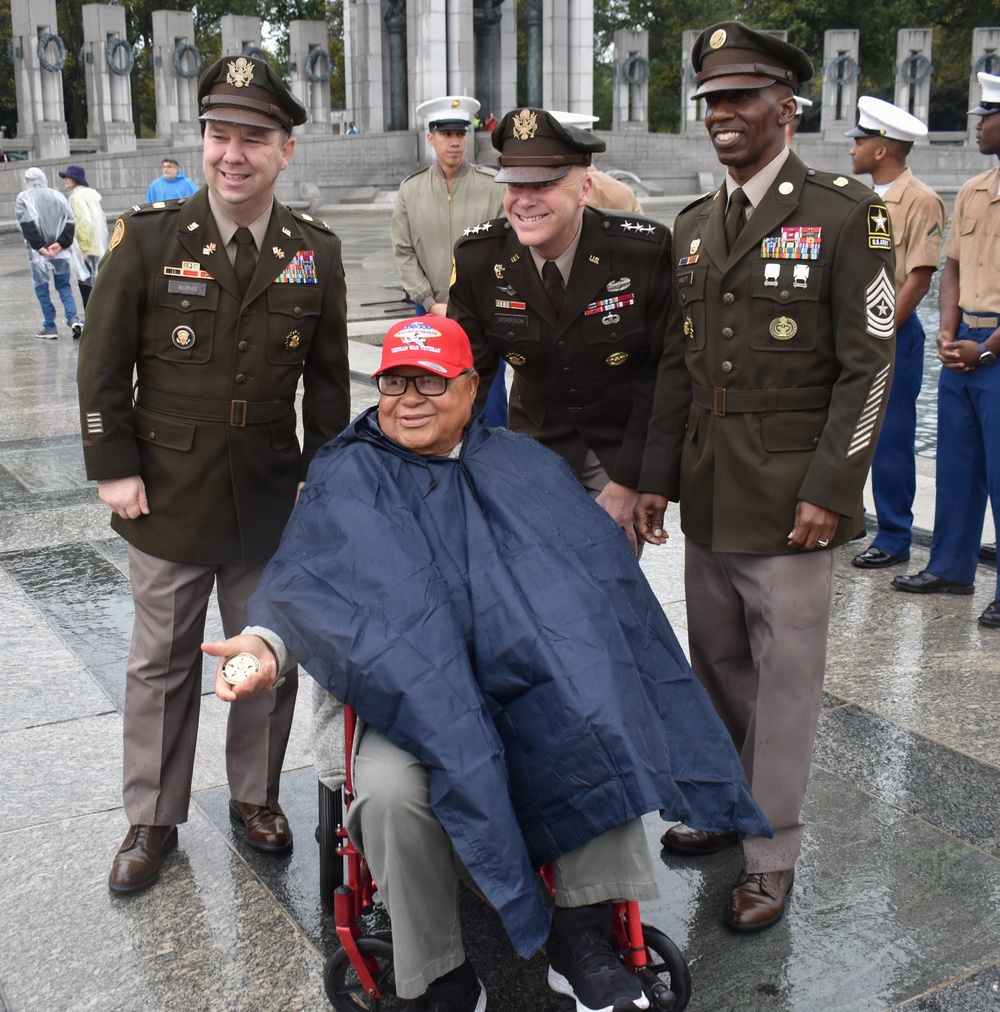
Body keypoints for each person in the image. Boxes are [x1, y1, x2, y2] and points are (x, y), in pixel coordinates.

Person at [204, 316, 768, 1012]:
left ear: (472, 386)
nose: (409, 399)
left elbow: (591, 582)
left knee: (597, 725)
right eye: (394, 381)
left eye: (431, 382)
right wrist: (263, 647)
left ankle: (582, 941)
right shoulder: (348, 474)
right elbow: (308, 585)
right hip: (411, 702)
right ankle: (438, 975)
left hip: (531, 683)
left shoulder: (523, 465)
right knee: (387, 792)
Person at [635, 22, 895, 932]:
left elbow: (871, 365)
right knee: (718, 668)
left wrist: (833, 488)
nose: (723, 116)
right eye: (712, 100)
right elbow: (677, 362)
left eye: (742, 97)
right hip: (709, 491)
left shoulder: (842, 212)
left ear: (788, 105)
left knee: (783, 685)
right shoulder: (696, 226)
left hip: (793, 502)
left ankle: (771, 852)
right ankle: (720, 805)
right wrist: (658, 478)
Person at [76, 54, 351, 895]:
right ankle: (153, 818)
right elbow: (102, 361)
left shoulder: (314, 250)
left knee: (267, 658)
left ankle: (255, 798)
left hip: (271, 495)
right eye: (218, 135)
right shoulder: (150, 238)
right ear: (202, 141)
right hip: (166, 490)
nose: (233, 154)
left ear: (286, 149)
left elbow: (331, 382)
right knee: (159, 659)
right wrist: (112, 465)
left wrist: (324, 476)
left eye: (253, 139)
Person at [449, 108, 675, 552]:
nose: (525, 201)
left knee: (608, 584)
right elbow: (466, 379)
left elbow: (664, 375)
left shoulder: (641, 253)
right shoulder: (480, 257)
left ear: (585, 188)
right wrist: (461, 470)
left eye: (545, 184)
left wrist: (631, 481)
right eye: (515, 185)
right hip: (533, 444)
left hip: (617, 448)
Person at [892, 72, 1000, 628]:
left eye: (988, 116)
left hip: (997, 346)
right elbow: (952, 264)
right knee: (959, 465)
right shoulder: (977, 190)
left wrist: (988, 349)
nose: (979, 125)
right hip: (966, 341)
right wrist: (950, 332)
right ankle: (952, 567)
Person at [845, 97, 947, 570]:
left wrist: (880, 332)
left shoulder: (921, 200)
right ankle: (849, 520)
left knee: (890, 439)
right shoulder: (855, 198)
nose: (853, 149)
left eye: (861, 141)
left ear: (883, 149)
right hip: (850, 333)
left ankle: (894, 535)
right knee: (844, 431)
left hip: (893, 337)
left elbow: (918, 280)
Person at [391, 94, 509, 426]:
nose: (454, 143)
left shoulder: (493, 187)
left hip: (483, 312)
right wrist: (429, 302)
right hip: (429, 310)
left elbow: (505, 250)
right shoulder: (410, 191)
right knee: (432, 390)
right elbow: (404, 250)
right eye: (446, 134)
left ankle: (493, 457)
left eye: (460, 134)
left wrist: (482, 301)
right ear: (431, 137)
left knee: (489, 393)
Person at [15, 166, 82, 340]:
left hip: (39, 253)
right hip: (59, 251)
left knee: (42, 288)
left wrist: (40, 247)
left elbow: (27, 224)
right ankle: (73, 318)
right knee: (64, 286)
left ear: (27, 181)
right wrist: (60, 244)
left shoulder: (23, 198)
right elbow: (70, 220)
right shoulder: (57, 196)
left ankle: (50, 326)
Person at [59, 164, 109, 313]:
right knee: (95, 286)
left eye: (67, 177)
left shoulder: (76, 196)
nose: (65, 180)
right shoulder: (89, 193)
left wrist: (83, 248)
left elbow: (83, 223)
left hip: (86, 248)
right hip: (96, 247)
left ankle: (91, 322)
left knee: (86, 287)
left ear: (75, 179)